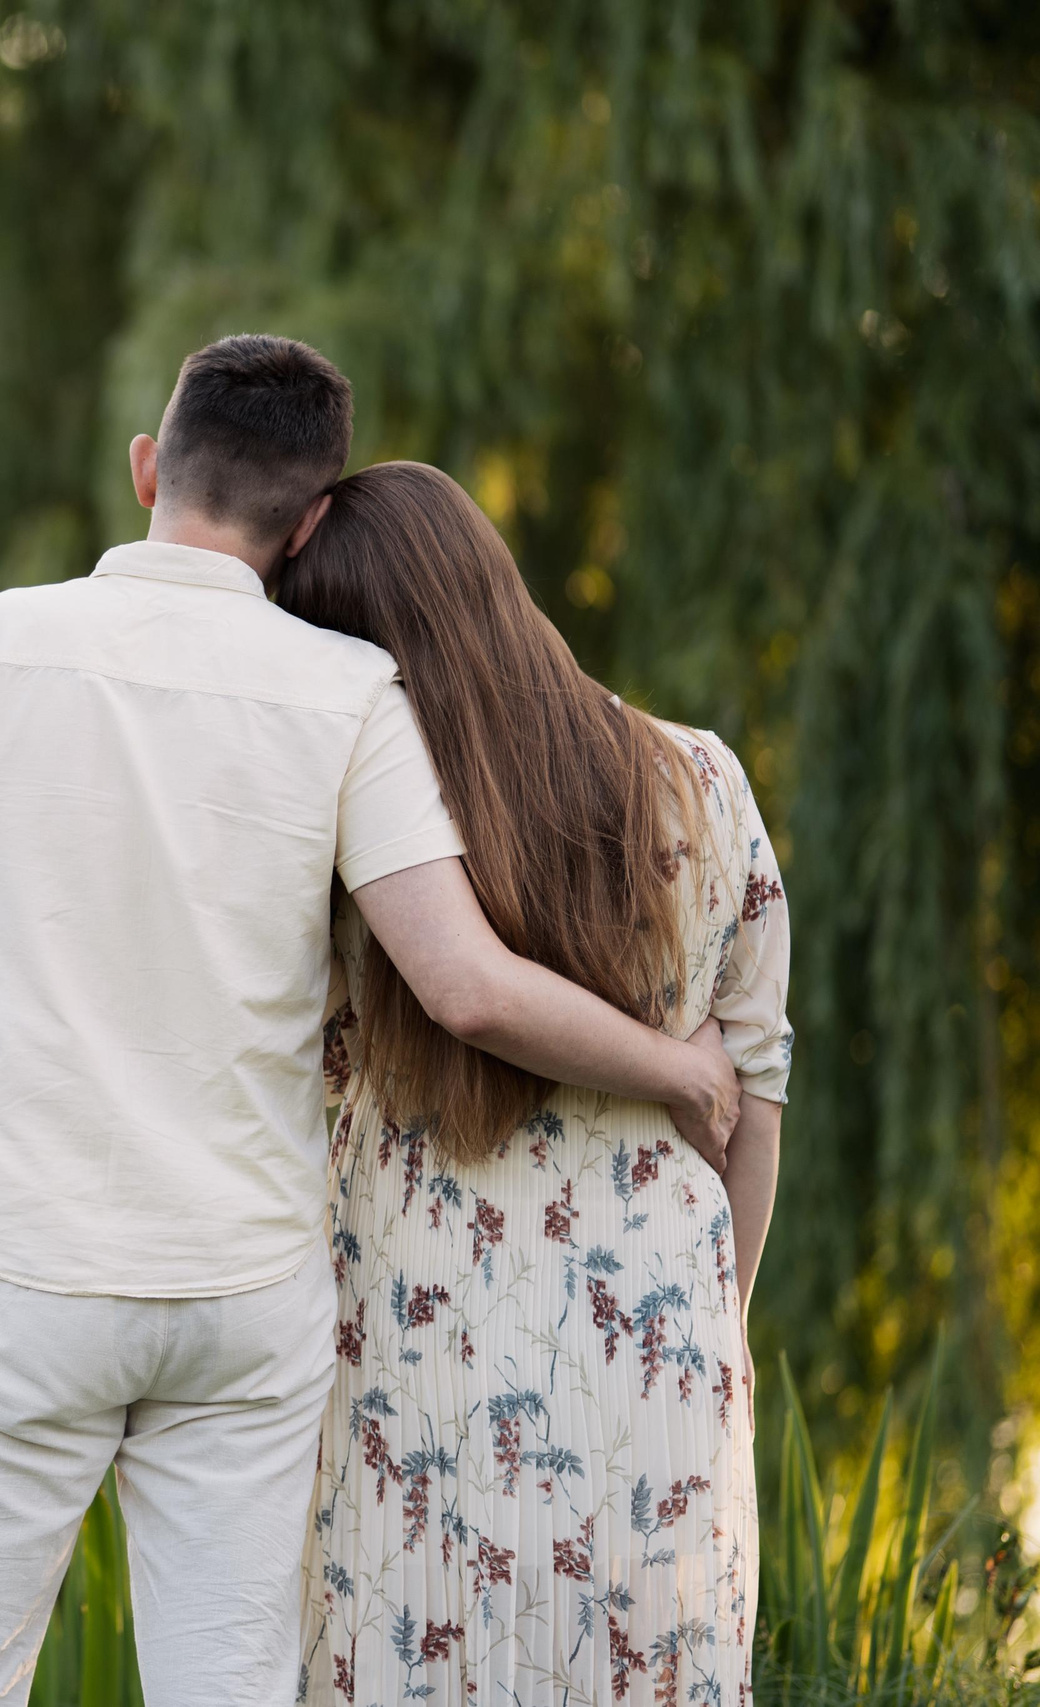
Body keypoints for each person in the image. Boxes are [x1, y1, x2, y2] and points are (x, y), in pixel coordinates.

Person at [0, 337, 744, 1706]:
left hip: (26, 1272)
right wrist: (680, 1067)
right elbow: (466, 984)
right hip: (246, 1296)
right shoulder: (347, 694)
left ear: (149, 466)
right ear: (309, 520)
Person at [275, 461, 788, 1704]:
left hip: (417, 1342)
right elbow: (756, 1092)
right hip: (658, 1330)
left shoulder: (365, 832)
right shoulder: (703, 779)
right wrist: (714, 1322)